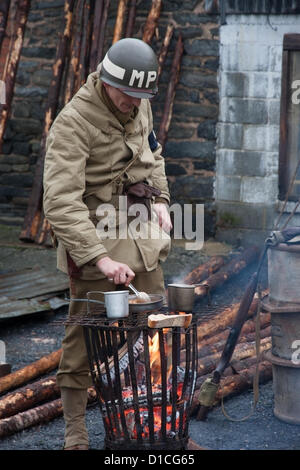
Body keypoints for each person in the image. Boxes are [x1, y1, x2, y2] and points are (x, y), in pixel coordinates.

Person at [43, 38, 173, 450]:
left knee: (151, 331)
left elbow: (154, 154)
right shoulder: (73, 122)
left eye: (141, 97)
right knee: (83, 339)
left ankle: (140, 420)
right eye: (127, 95)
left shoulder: (139, 104)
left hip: (142, 237)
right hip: (95, 240)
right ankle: (76, 432)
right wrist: (99, 259)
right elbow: (60, 201)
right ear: (107, 80)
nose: (133, 104)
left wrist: (164, 200)